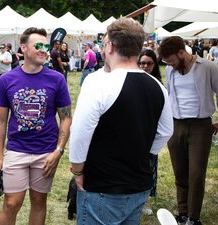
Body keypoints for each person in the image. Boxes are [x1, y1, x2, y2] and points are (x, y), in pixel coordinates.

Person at [69, 18, 173, 225]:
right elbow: (166, 131)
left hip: (102, 186)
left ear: (110, 46)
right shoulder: (157, 86)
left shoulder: (100, 85)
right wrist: (144, 153)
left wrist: (78, 171)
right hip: (138, 185)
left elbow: (80, 133)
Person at [0, 27, 72, 225]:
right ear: (23, 48)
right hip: (17, 150)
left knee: (38, 202)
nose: (44, 49)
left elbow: (66, 117)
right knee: (11, 203)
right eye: (38, 45)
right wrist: (0, 156)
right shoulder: (7, 80)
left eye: (45, 45)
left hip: (46, 153)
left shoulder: (57, 79)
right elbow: (0, 119)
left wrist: (58, 151)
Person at [158, 36, 218, 225]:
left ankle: (194, 217)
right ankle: (182, 212)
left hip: (201, 125)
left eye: (171, 60)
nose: (170, 65)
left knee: (196, 174)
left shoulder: (208, 67)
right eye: (167, 62)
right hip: (176, 125)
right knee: (180, 172)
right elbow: (169, 96)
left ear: (182, 52)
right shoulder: (170, 70)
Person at [138, 48, 163, 215]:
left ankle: (145, 200)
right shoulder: (132, 80)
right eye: (142, 63)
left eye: (149, 63)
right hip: (135, 131)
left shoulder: (159, 86)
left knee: (149, 167)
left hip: (151, 132)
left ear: (154, 65)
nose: (145, 66)